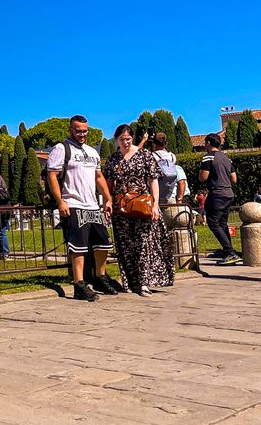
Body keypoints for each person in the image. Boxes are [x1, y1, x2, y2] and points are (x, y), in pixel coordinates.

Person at [46, 115, 116, 301]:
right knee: (79, 247)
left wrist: (108, 199)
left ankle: (100, 276)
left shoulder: (92, 152)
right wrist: (60, 201)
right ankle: (79, 283)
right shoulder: (62, 149)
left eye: (85, 130)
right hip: (73, 203)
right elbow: (52, 176)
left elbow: (99, 177)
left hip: (93, 205)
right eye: (78, 130)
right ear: (71, 130)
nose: (82, 134)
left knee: (103, 244)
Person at [104, 124, 175, 294]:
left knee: (143, 243)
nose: (126, 142)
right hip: (121, 207)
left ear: (133, 138)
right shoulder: (113, 159)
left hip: (142, 204)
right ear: (116, 140)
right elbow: (108, 183)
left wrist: (155, 204)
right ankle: (130, 282)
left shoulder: (144, 155)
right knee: (125, 245)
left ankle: (143, 281)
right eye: (122, 139)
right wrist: (107, 201)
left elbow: (153, 180)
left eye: (128, 139)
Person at [199, 134, 240, 264]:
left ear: (209, 143)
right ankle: (228, 251)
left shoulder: (208, 157)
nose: (205, 146)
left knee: (213, 223)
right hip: (228, 193)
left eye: (205, 143)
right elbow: (234, 179)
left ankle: (229, 252)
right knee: (223, 224)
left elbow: (203, 178)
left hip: (216, 193)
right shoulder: (227, 159)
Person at [151, 133, 179, 205]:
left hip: (155, 195)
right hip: (170, 195)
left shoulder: (151, 156)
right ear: (166, 144)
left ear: (154, 143)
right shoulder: (172, 156)